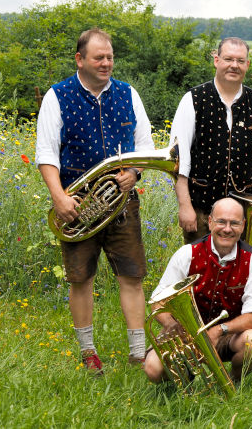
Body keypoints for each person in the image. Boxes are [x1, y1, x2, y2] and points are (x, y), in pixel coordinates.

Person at [35, 28, 155, 372]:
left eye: (110, 57)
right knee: (80, 279)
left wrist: (134, 173)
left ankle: (137, 353)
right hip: (77, 205)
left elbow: (144, 146)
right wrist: (58, 197)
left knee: (132, 277)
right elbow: (46, 152)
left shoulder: (128, 93)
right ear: (80, 60)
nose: (106, 63)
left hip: (121, 203)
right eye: (99, 58)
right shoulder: (57, 96)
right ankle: (88, 353)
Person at [144, 197, 252, 383]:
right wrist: (172, 325)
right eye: (221, 221)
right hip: (186, 335)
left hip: (227, 336)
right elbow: (157, 302)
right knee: (153, 369)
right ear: (210, 222)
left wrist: (220, 330)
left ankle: (232, 380)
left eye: (234, 223)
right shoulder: (187, 253)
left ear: (243, 226)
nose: (227, 229)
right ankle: (186, 375)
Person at [168, 37, 252, 243]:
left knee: (245, 273)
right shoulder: (193, 99)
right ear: (216, 60)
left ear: (247, 64)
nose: (234, 65)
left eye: (240, 61)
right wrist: (185, 207)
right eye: (228, 59)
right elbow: (178, 161)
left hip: (246, 215)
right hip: (202, 211)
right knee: (201, 272)